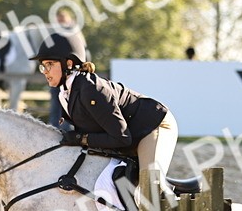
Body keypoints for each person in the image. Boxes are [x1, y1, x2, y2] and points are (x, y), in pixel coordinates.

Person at [32, 32, 177, 175]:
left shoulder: (91, 90)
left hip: (153, 126)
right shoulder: (65, 94)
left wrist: (81, 138)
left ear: (68, 63)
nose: (45, 71)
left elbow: (121, 138)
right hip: (127, 137)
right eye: (43, 66)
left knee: (149, 185)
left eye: (49, 64)